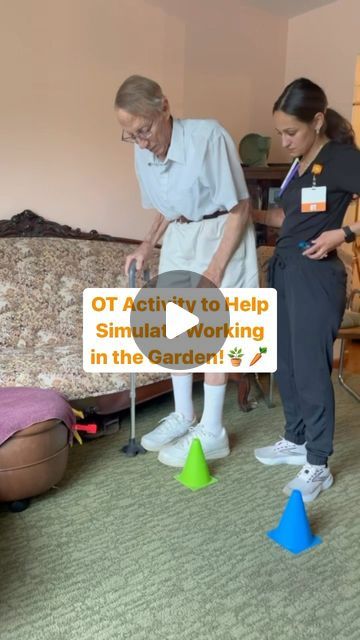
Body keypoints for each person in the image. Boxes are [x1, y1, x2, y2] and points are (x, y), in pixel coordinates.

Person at [114, 74, 258, 467]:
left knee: (213, 334)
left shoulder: (208, 138)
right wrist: (146, 243)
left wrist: (214, 270)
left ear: (164, 107)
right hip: (181, 237)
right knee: (175, 330)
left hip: (220, 235)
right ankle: (184, 415)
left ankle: (213, 431)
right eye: (131, 136)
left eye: (144, 130)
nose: (142, 142)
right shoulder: (143, 150)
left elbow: (241, 206)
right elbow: (168, 203)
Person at [253, 77, 360, 502]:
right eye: (280, 132)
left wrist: (345, 232)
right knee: (286, 363)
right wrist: (252, 214)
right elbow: (292, 219)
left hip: (317, 277)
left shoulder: (340, 158)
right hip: (285, 270)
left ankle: (317, 463)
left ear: (317, 120)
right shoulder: (300, 165)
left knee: (312, 370)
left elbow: (327, 227)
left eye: (290, 132)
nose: (283, 141)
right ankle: (295, 437)